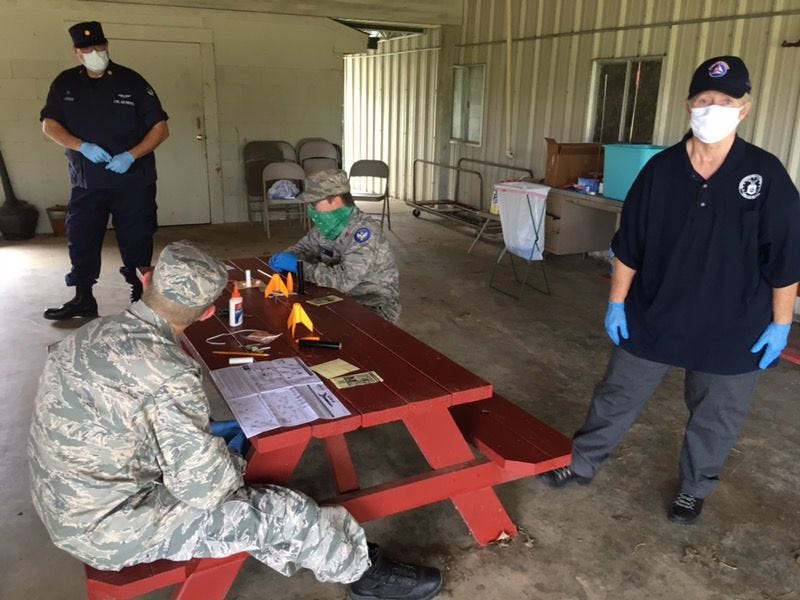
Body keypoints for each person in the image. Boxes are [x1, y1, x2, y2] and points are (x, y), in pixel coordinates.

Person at [29, 240, 442, 600]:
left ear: (149, 278)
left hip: (64, 500)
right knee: (281, 510)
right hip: (107, 528)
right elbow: (205, 490)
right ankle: (363, 574)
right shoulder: (170, 371)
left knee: (222, 445)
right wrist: (232, 462)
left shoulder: (87, 334)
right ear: (209, 312)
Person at [540, 56, 800, 524]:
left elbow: (786, 258)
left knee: (716, 416)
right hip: (655, 313)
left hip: (734, 325)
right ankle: (581, 463)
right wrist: (617, 302)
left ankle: (695, 488)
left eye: (725, 101)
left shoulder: (765, 175)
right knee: (616, 394)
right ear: (688, 106)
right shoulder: (660, 170)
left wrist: (781, 325)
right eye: (704, 100)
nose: (713, 108)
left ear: (744, 109)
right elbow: (629, 246)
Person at [41, 21, 169, 320]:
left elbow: (160, 128)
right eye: (86, 48)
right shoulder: (65, 83)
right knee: (82, 239)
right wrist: (80, 145)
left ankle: (140, 300)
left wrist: (131, 155)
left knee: (137, 239)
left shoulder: (132, 81)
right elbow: (49, 124)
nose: (94, 52)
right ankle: (83, 298)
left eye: (99, 46)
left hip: (133, 180)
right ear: (77, 52)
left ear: (107, 45)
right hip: (87, 181)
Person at [269, 169, 401, 323]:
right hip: (336, 295)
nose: (310, 209)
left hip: (373, 303)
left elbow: (344, 281)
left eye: (314, 203)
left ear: (336, 200)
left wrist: (300, 267)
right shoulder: (326, 227)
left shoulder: (364, 233)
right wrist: (287, 257)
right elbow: (303, 248)